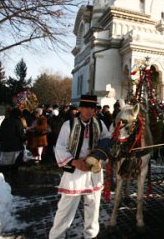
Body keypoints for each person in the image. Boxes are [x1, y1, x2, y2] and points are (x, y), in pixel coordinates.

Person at [48, 95, 111, 239]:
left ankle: (91, 235)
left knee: (93, 209)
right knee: (65, 209)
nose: (89, 111)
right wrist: (76, 162)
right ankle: (57, 236)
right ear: (80, 108)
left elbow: (107, 139)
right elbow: (59, 148)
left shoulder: (100, 124)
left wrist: (97, 155)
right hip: (74, 173)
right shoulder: (68, 125)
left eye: (92, 108)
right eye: (86, 107)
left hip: (94, 172)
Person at [0, 107, 27, 182]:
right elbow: (21, 133)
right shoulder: (17, 122)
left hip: (4, 146)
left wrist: (1, 141)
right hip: (15, 146)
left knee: (5, 164)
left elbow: (0, 133)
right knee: (15, 163)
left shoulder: (5, 121)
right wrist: (24, 139)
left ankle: (4, 177)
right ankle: (14, 178)